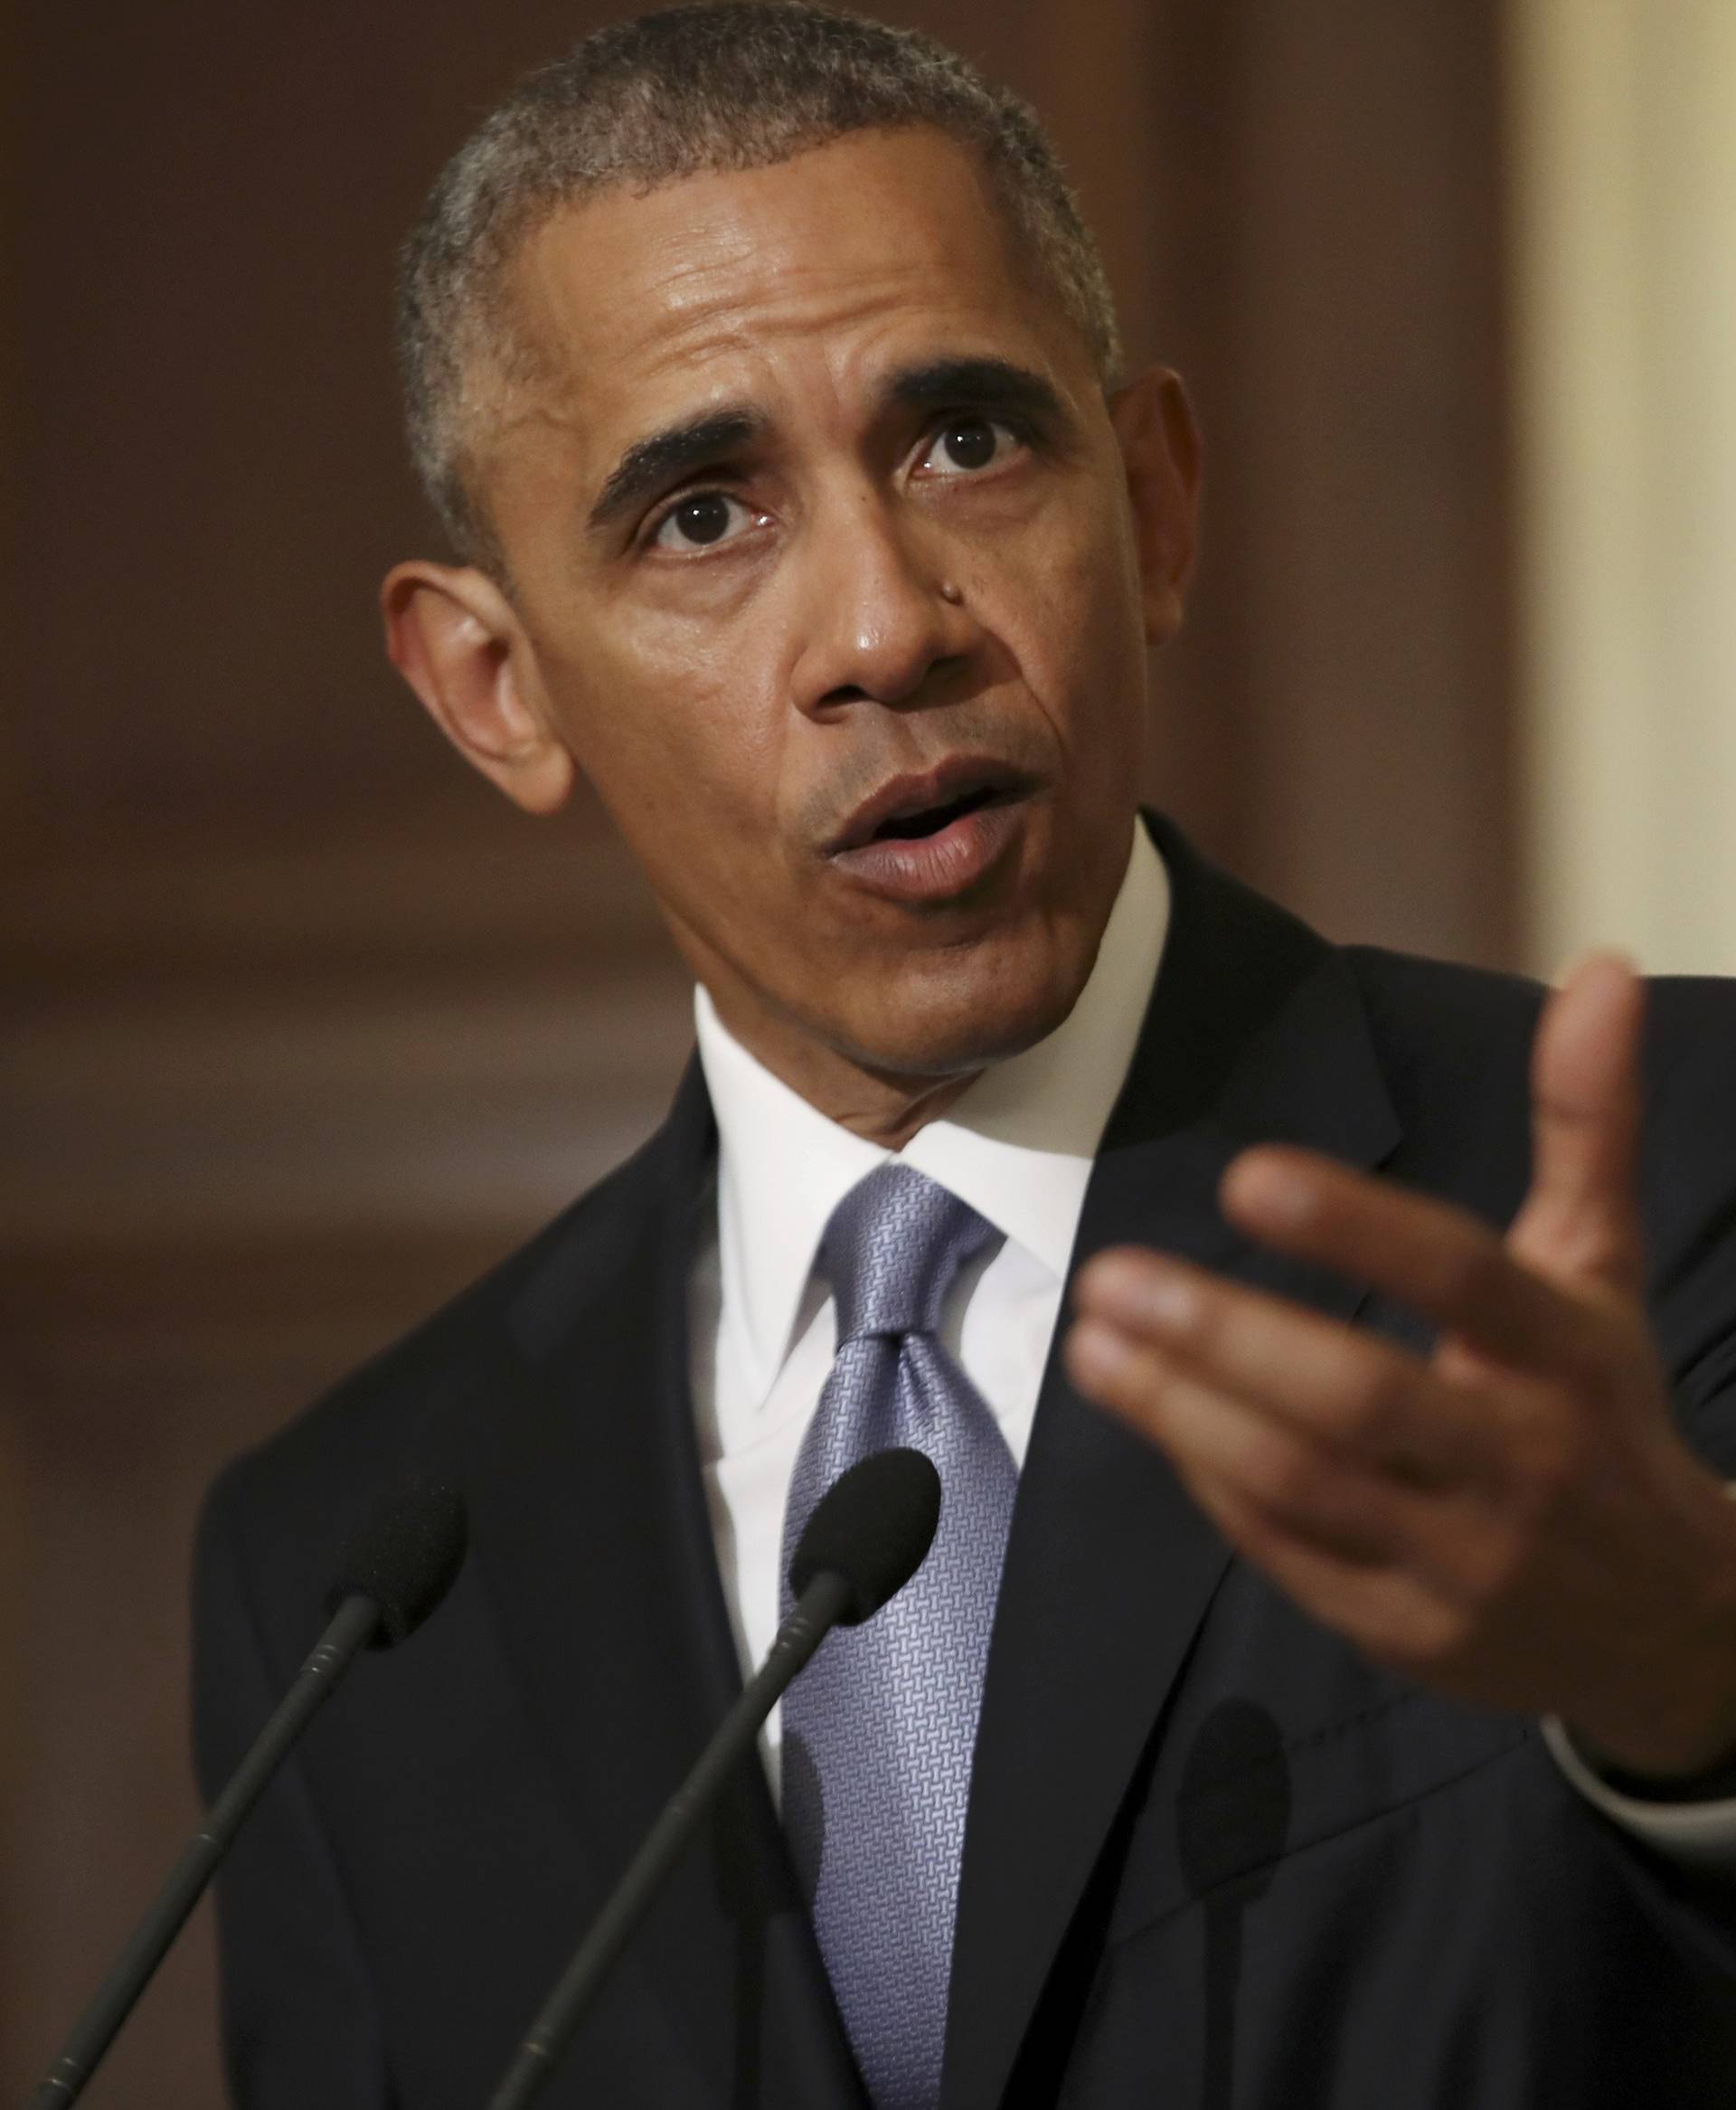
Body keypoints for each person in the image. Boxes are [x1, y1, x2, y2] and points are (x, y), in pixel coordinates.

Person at [193, 7, 1736, 2105]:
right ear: (493, 685)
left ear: (1157, 506)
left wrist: (1699, 1691)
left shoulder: (1671, 1195)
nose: (886, 627)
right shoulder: (353, 1576)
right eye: (704, 518)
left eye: (967, 444)